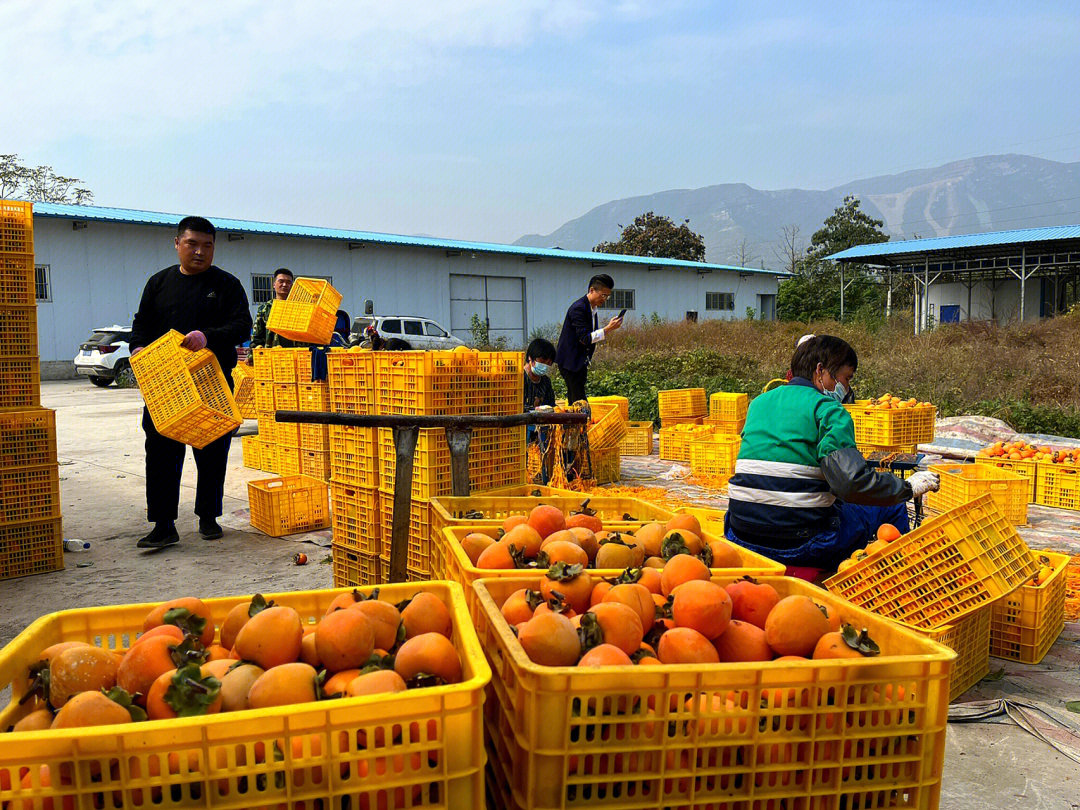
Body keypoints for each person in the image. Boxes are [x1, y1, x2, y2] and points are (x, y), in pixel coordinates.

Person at [724, 335, 939, 574]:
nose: (846, 389)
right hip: (802, 545)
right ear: (821, 371)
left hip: (740, 535)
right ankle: (901, 572)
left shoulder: (759, 403)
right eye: (845, 379)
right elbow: (850, 484)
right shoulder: (829, 411)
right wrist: (907, 488)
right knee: (891, 507)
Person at [129, 216, 253, 550]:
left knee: (212, 452)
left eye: (207, 245)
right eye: (192, 244)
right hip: (166, 386)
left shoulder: (227, 284)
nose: (200, 252)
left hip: (210, 383)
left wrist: (207, 336)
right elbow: (141, 324)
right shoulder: (159, 283)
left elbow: (242, 325)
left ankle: (209, 517)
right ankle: (163, 524)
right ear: (177, 244)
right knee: (160, 453)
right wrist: (138, 347)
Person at [555, 274, 622, 404]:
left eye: (608, 296)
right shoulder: (579, 308)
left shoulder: (592, 308)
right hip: (570, 362)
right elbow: (585, 338)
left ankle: (575, 422)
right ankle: (578, 422)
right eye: (603, 295)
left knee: (576, 399)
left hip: (580, 361)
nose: (605, 299)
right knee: (579, 401)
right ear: (592, 290)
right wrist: (608, 329)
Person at [250, 268, 296, 348]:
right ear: (274, 284)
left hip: (297, 355)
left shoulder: (299, 308)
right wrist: (251, 356)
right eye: (281, 281)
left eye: (288, 282)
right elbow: (257, 337)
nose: (285, 285)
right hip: (272, 355)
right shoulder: (265, 308)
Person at [523, 338, 557, 413]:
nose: (545, 366)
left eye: (548, 363)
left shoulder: (545, 381)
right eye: (542, 361)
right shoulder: (520, 379)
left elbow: (551, 405)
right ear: (530, 358)